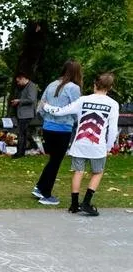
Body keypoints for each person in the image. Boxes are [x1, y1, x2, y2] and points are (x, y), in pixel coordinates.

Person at [42, 73, 119, 216]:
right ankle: (86, 203)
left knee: (78, 172)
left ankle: (74, 204)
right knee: (97, 172)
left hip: (79, 143)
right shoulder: (113, 104)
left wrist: (46, 107)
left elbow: (61, 111)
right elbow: (112, 129)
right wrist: (109, 147)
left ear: (94, 85)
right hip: (98, 146)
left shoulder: (83, 100)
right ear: (110, 87)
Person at [33, 61, 83, 205]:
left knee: (53, 159)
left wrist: (47, 119)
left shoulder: (51, 84)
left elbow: (41, 107)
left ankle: (40, 187)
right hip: (63, 128)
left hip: (48, 126)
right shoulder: (73, 88)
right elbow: (76, 109)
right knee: (55, 161)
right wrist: (75, 122)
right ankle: (46, 194)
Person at [10, 72, 37, 159]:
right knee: (23, 134)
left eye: (18, 81)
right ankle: (22, 151)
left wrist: (19, 101)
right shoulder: (25, 87)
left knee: (21, 134)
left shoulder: (31, 86)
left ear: (23, 78)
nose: (18, 83)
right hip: (23, 114)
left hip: (26, 114)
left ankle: (19, 152)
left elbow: (31, 99)